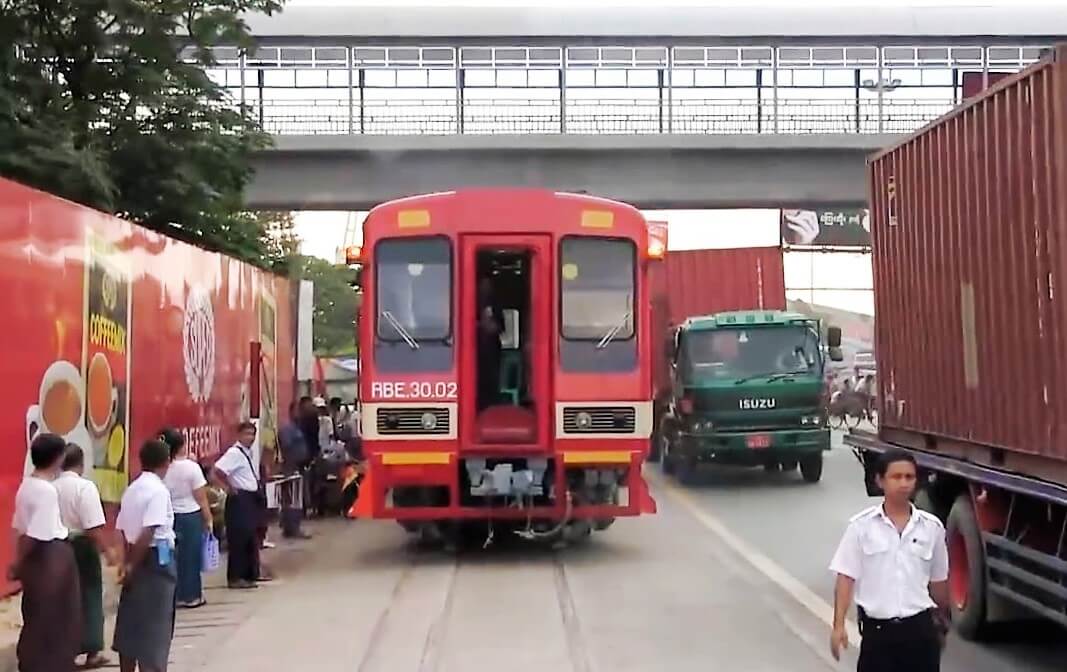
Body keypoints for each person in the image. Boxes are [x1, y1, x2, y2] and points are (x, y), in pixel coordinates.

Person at [829, 449, 951, 671]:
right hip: (879, 636)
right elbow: (845, 577)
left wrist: (942, 624)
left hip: (920, 632)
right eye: (896, 477)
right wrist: (838, 626)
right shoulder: (861, 527)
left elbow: (939, 582)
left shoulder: (931, 528)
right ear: (880, 480)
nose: (903, 483)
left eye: (909, 477)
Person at [10, 433, 81, 672]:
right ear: (58, 458)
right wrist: (19, 563)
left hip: (38, 560)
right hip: (50, 558)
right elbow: (35, 534)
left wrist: (18, 563)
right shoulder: (46, 491)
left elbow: (20, 530)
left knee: (36, 615)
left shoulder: (26, 486)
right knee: (56, 620)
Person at [112, 439, 176, 672]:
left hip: (135, 555)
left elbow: (119, 529)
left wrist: (124, 562)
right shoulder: (158, 491)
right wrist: (131, 566)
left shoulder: (132, 489)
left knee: (131, 621)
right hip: (155, 558)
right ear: (166, 462)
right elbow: (149, 531)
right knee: (157, 624)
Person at [54, 445, 116, 669]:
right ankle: (91, 650)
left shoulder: (51, 487)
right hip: (82, 545)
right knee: (89, 595)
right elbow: (93, 527)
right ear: (81, 463)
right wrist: (108, 550)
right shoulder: (85, 487)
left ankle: (65, 651)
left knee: (63, 598)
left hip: (57, 546)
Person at [161, 428, 213, 608]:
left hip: (166, 517)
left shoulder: (160, 468)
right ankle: (191, 596)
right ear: (182, 445)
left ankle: (168, 596)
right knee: (190, 558)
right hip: (190, 516)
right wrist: (208, 519)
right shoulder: (192, 467)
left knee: (167, 556)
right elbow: (201, 497)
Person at [212, 422, 267, 589]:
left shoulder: (246, 453)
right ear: (239, 435)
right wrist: (228, 488)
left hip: (251, 498)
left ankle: (249, 574)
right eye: (246, 434)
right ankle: (236, 577)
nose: (250, 438)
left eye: (252, 434)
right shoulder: (234, 453)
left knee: (250, 536)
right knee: (239, 538)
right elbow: (217, 471)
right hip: (240, 499)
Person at [277, 401, 311, 539]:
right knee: (292, 498)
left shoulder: (298, 428)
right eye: (297, 411)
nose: (300, 414)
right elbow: (286, 447)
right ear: (291, 412)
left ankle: (292, 528)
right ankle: (291, 528)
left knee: (297, 498)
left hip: (299, 466)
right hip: (291, 467)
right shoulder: (287, 429)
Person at [476, 277, 504, 410]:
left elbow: (502, 328)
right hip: (475, 348)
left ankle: (493, 404)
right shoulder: (471, 303)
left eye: (488, 285)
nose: (485, 288)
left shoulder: (496, 305)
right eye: (483, 284)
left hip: (492, 348)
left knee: (493, 378)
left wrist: (492, 326)